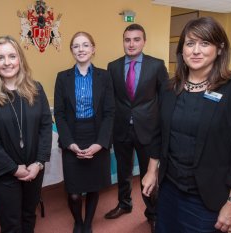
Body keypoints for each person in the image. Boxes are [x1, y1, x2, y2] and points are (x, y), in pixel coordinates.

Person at [156, 17, 231, 233]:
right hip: (168, 190)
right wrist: (151, 171)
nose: (196, 51)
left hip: (208, 199)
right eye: (190, 43)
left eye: (205, 43)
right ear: (182, 49)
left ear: (220, 49)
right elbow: (162, 135)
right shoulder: (170, 88)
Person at [0, 35, 52, 233]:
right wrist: (13, 168)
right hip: (3, 173)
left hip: (34, 168)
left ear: (20, 59)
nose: (7, 62)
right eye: (0, 58)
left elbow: (45, 127)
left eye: (12, 56)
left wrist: (39, 163)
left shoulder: (36, 89)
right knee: (10, 224)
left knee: (29, 216)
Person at [104, 23, 168, 232]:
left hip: (148, 130)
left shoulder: (156, 65)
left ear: (144, 41)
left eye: (136, 39)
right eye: (127, 40)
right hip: (121, 129)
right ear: (123, 41)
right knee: (123, 171)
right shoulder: (112, 66)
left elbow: (165, 98)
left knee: (148, 174)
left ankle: (153, 213)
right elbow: (111, 100)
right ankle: (124, 204)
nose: (131, 44)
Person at [54, 31, 115, 233]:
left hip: (96, 135)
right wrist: (69, 142)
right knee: (73, 192)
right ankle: (77, 222)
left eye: (85, 45)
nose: (81, 49)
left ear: (93, 49)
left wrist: (100, 143)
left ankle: (87, 224)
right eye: (76, 46)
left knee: (93, 186)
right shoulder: (62, 78)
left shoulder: (104, 76)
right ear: (71, 50)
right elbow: (60, 115)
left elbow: (109, 112)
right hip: (72, 136)